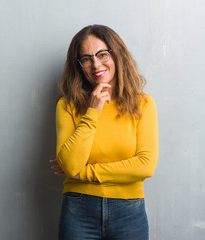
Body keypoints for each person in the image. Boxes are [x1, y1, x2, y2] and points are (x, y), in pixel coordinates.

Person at [49, 25, 159, 240]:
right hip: (78, 209)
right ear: (79, 65)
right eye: (86, 59)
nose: (96, 64)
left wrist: (84, 174)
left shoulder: (143, 104)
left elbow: (145, 165)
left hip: (129, 211)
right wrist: (94, 110)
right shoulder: (67, 105)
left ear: (116, 54)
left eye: (102, 54)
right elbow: (70, 165)